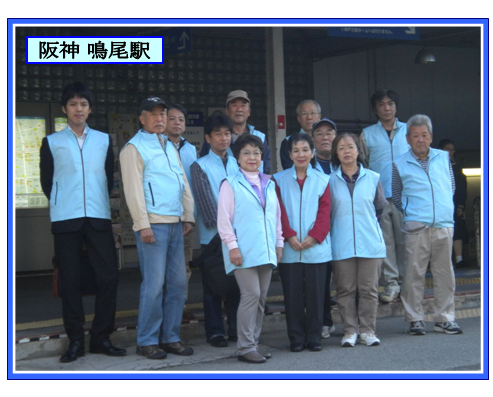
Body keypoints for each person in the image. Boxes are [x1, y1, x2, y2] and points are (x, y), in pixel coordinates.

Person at [40, 82, 126, 363]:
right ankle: (75, 340)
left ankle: (101, 337)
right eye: (74, 104)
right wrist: (63, 200)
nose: (79, 109)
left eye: (84, 104)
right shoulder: (51, 142)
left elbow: (106, 175)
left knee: (108, 276)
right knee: (71, 280)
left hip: (99, 216)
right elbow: (47, 181)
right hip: (66, 218)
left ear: (90, 109)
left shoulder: (102, 141)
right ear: (65, 109)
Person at [120, 96, 195, 359]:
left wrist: (188, 215)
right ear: (142, 119)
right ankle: (146, 340)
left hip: (175, 224)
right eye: (153, 114)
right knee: (154, 285)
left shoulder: (168, 145)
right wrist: (143, 225)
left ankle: (171, 337)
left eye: (163, 114)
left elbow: (182, 181)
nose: (160, 119)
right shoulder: (134, 148)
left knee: (177, 284)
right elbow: (133, 191)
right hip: (153, 225)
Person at [392, 115, 462, 336]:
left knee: (445, 274)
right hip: (416, 226)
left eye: (424, 135)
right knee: (414, 274)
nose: (420, 140)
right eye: (415, 136)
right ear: (407, 138)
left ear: (431, 137)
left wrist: (442, 210)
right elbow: (396, 196)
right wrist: (413, 214)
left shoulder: (443, 158)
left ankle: (445, 319)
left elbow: (450, 187)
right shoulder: (399, 163)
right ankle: (415, 319)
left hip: (443, 224)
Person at [217, 134, 283, 364]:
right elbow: (224, 220)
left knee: (261, 297)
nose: (252, 157)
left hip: (265, 249)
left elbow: (276, 217)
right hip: (242, 251)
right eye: (246, 153)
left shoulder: (270, 182)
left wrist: (279, 243)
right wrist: (232, 247)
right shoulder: (230, 184)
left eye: (256, 152)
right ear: (237, 158)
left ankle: (253, 343)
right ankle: (245, 346)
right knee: (251, 294)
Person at [273, 133, 332, 352]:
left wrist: (314, 236)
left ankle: (314, 337)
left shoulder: (323, 179)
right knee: (293, 296)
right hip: (289, 248)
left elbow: (326, 211)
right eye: (296, 150)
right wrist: (288, 235)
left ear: (313, 152)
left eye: (305, 150)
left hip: (316, 247)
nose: (301, 154)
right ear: (289, 154)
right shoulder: (278, 180)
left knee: (317, 295)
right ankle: (296, 338)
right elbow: (278, 211)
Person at [329, 133, 387, 347]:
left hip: (370, 243)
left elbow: (379, 208)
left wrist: (372, 231)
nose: (346, 151)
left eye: (350, 147)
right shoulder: (330, 181)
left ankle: (368, 331)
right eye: (341, 147)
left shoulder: (373, 178)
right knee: (345, 290)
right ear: (336, 152)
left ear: (358, 151)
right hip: (341, 243)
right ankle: (350, 331)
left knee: (369, 290)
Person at [190, 112, 240, 348]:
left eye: (227, 133)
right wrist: (228, 230)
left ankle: (235, 328)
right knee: (212, 287)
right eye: (218, 134)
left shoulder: (238, 163)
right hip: (213, 238)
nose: (223, 138)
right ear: (208, 138)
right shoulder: (199, 166)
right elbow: (206, 206)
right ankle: (215, 331)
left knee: (236, 284)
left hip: (239, 236)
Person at [360, 89, 409, 303]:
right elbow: (362, 165)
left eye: (390, 103)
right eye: (381, 104)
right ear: (375, 110)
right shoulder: (367, 134)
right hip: (379, 197)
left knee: (406, 240)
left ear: (396, 107)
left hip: (406, 197)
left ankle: (408, 283)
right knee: (385, 242)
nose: (386, 108)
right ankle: (392, 285)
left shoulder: (410, 131)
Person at [164, 103, 197, 319]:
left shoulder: (191, 149)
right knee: (162, 266)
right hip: (162, 215)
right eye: (173, 119)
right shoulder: (157, 146)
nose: (177, 123)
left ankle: (180, 306)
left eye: (181, 119)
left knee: (184, 264)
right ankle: (164, 307)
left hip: (184, 217)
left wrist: (190, 216)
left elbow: (193, 185)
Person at [311, 118, 337, 339]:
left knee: (349, 281)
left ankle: (353, 322)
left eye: (329, 132)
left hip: (345, 231)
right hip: (320, 233)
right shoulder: (306, 168)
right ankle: (324, 321)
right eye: (319, 133)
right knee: (322, 280)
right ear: (313, 140)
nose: (325, 137)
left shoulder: (348, 163)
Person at [200, 90, 271, 173]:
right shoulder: (215, 138)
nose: (239, 109)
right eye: (234, 105)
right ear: (227, 111)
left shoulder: (260, 137)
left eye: (243, 105)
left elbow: (266, 167)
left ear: (249, 112)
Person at [438, 138, 469, 269]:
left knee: (457, 230)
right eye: (447, 149)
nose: (450, 152)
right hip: (439, 204)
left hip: (454, 204)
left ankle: (459, 259)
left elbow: (461, 187)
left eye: (452, 150)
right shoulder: (436, 165)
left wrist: (460, 205)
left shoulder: (457, 168)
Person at [280, 99, 322, 170]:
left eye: (312, 113)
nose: (309, 117)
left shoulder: (327, 140)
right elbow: (289, 169)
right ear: (299, 119)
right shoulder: (288, 142)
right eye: (304, 114)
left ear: (319, 117)